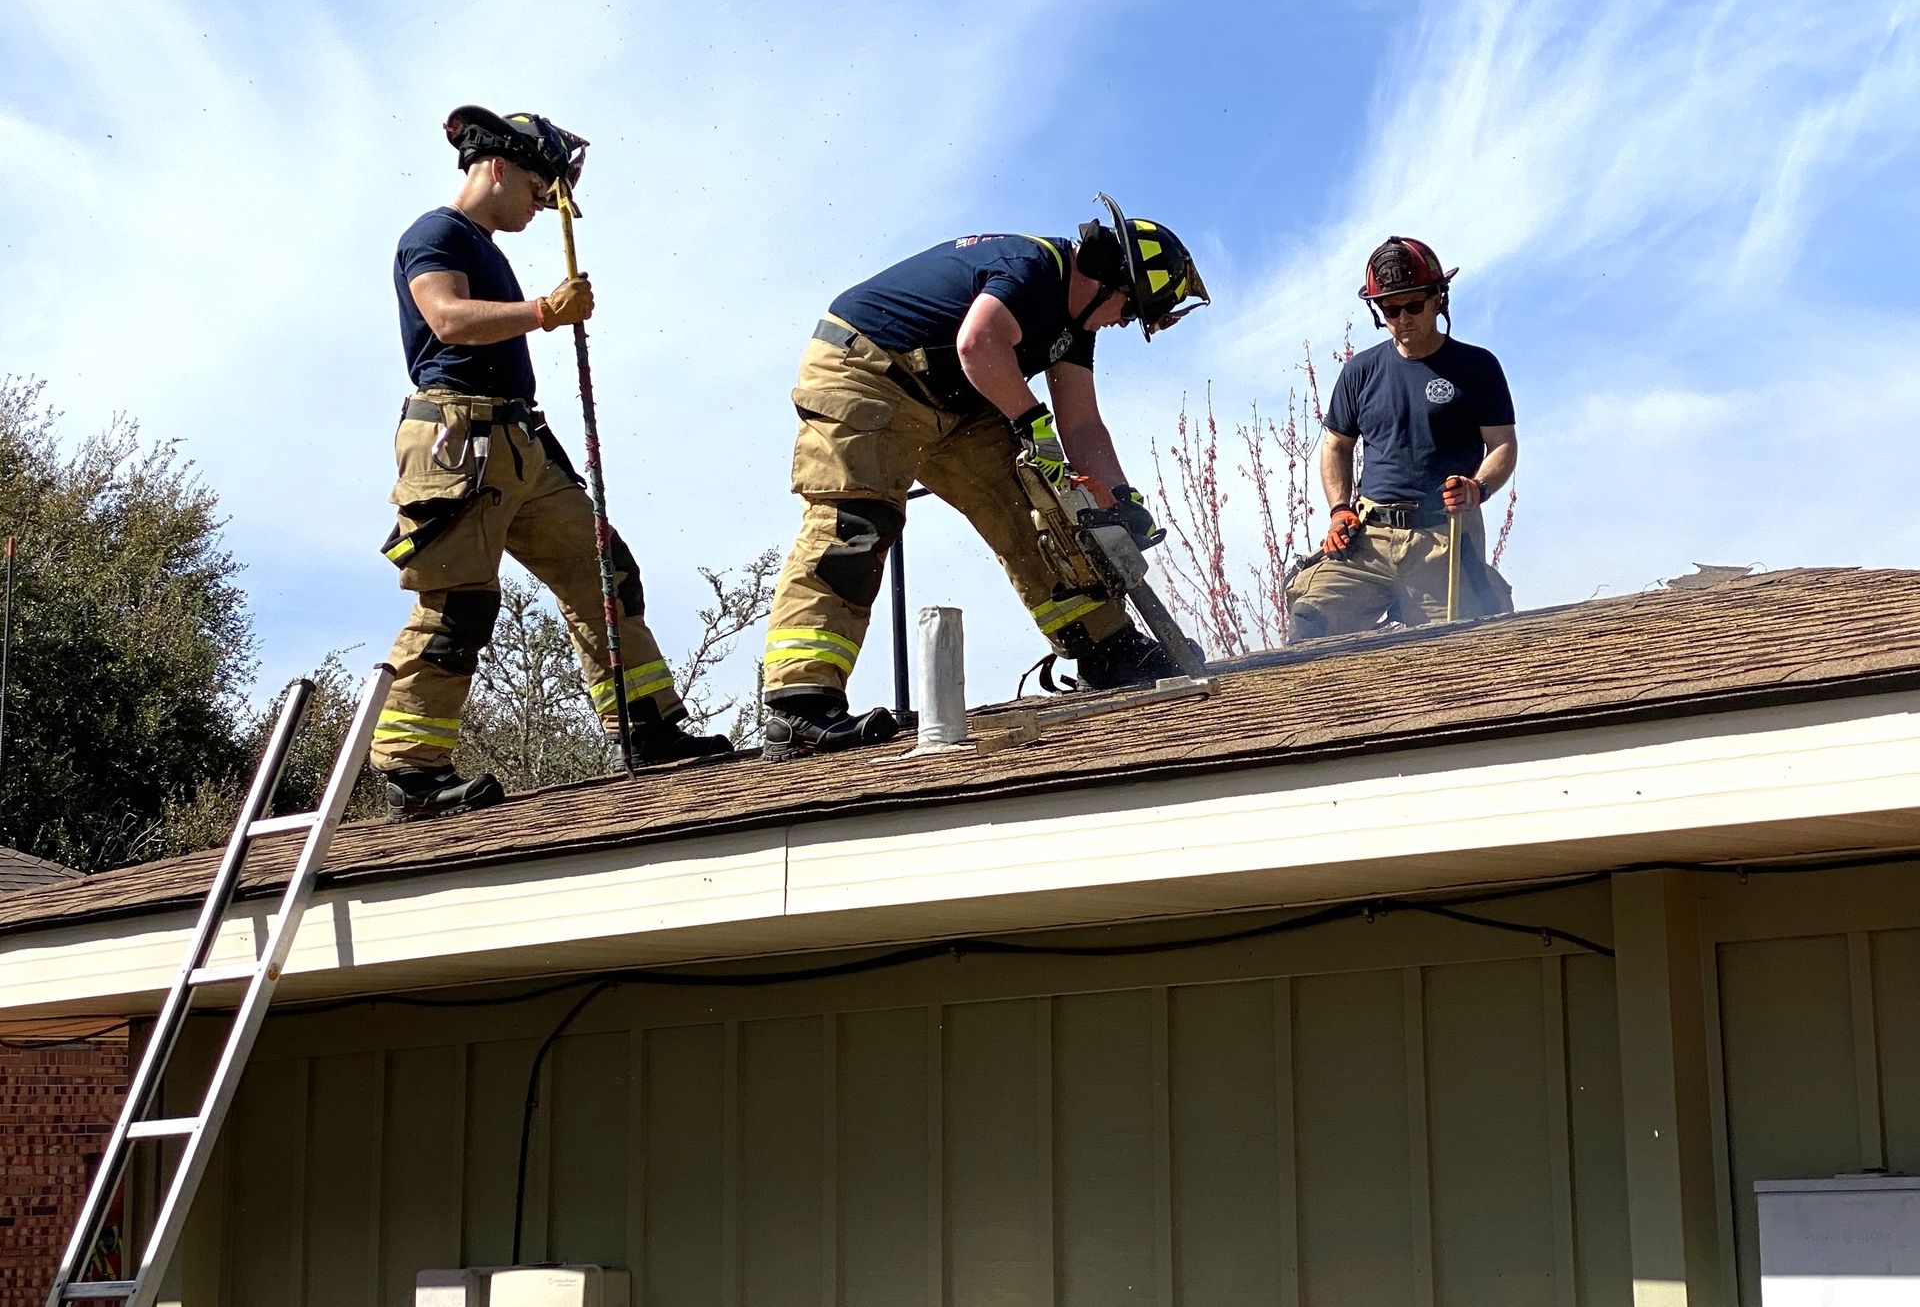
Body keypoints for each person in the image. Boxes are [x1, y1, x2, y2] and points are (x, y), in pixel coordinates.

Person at [760, 194, 1210, 762]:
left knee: (1040, 508)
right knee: (857, 524)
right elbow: (978, 343)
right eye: (1130, 308)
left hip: (958, 396)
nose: (1125, 322)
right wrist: (1030, 424)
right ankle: (800, 704)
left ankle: (1105, 647)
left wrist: (1120, 499)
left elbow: (1083, 424)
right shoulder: (1033, 267)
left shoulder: (1076, 324)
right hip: (869, 371)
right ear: (1107, 277)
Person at [371, 106, 729, 818]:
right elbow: (445, 318)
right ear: (497, 166)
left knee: (602, 571)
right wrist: (543, 312)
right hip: (458, 437)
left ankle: (646, 726)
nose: (543, 205)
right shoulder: (435, 233)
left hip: (514, 439)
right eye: (539, 188)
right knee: (459, 604)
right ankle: (413, 774)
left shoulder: (482, 244)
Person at [1285, 235, 1517, 639]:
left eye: (1413, 305)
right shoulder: (1360, 371)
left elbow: (1502, 445)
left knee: (1466, 647)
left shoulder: (1477, 367)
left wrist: (1477, 487)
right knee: (1310, 618)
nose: (1402, 318)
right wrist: (1340, 509)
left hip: (1442, 537)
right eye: (1390, 309)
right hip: (1369, 536)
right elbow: (1336, 445)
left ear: (1439, 299)